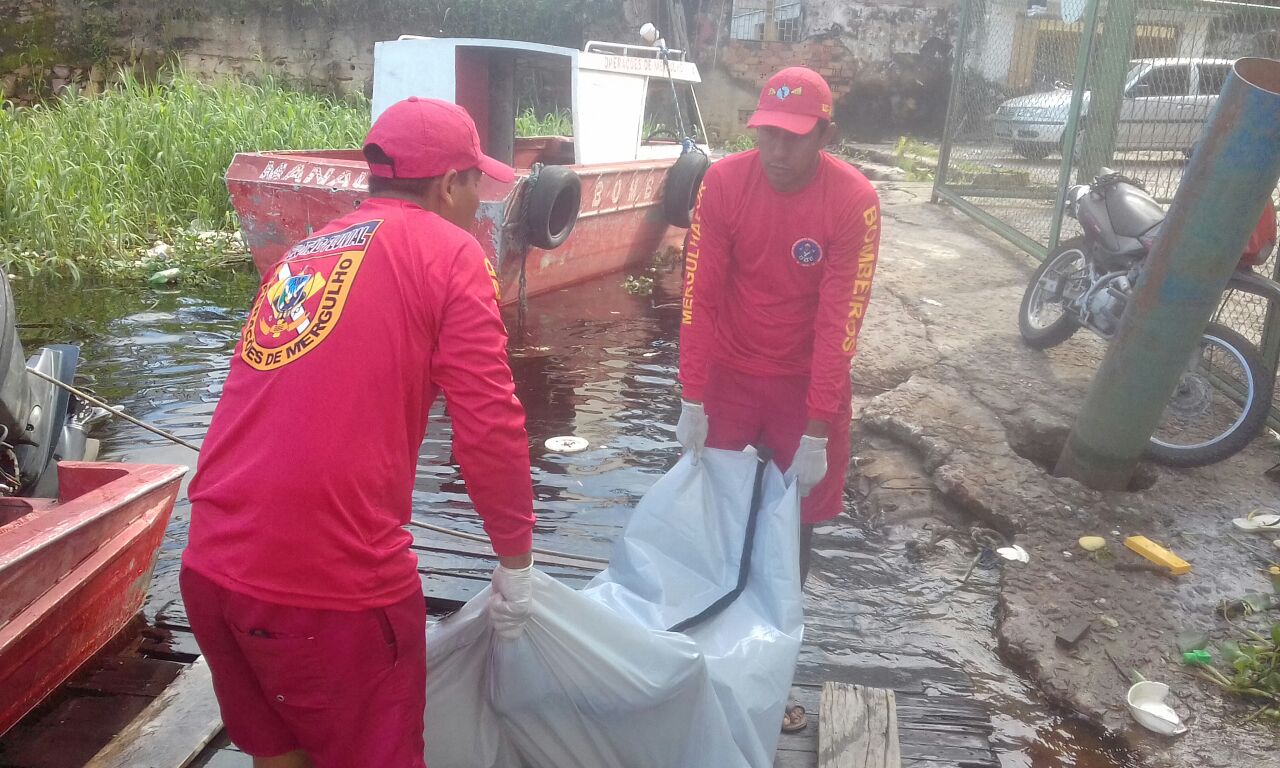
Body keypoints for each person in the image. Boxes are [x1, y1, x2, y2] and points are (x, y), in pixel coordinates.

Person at [180, 97, 537, 768]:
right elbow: (489, 427)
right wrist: (516, 561)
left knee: (280, 756)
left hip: (211, 569)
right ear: (448, 184)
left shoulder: (303, 254)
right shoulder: (452, 254)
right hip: (329, 592)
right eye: (475, 187)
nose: (476, 204)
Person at [674, 67, 882, 733]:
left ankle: (772, 676)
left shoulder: (853, 202)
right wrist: (692, 396)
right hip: (732, 377)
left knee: (793, 532)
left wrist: (819, 428)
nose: (778, 152)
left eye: (794, 138)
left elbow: (838, 325)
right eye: (767, 135)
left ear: (826, 132)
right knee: (718, 518)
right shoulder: (724, 183)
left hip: (803, 388)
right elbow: (699, 295)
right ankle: (701, 659)